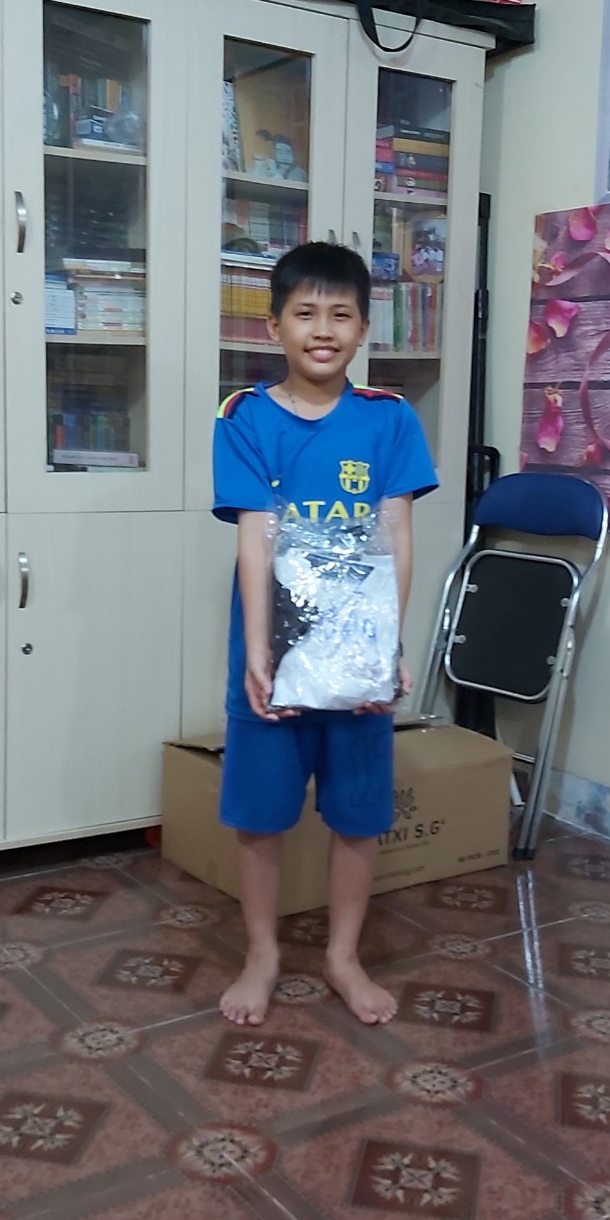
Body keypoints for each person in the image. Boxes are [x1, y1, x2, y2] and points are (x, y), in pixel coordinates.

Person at [212, 241, 438, 1027]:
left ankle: (344, 956)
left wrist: (386, 648)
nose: (323, 329)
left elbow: (397, 535)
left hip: (356, 659)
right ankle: (261, 954)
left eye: (341, 315)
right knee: (261, 814)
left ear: (364, 329)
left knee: (359, 813)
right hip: (273, 657)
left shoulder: (389, 419)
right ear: (273, 327)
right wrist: (258, 651)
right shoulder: (245, 419)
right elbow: (253, 540)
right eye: (304, 313)